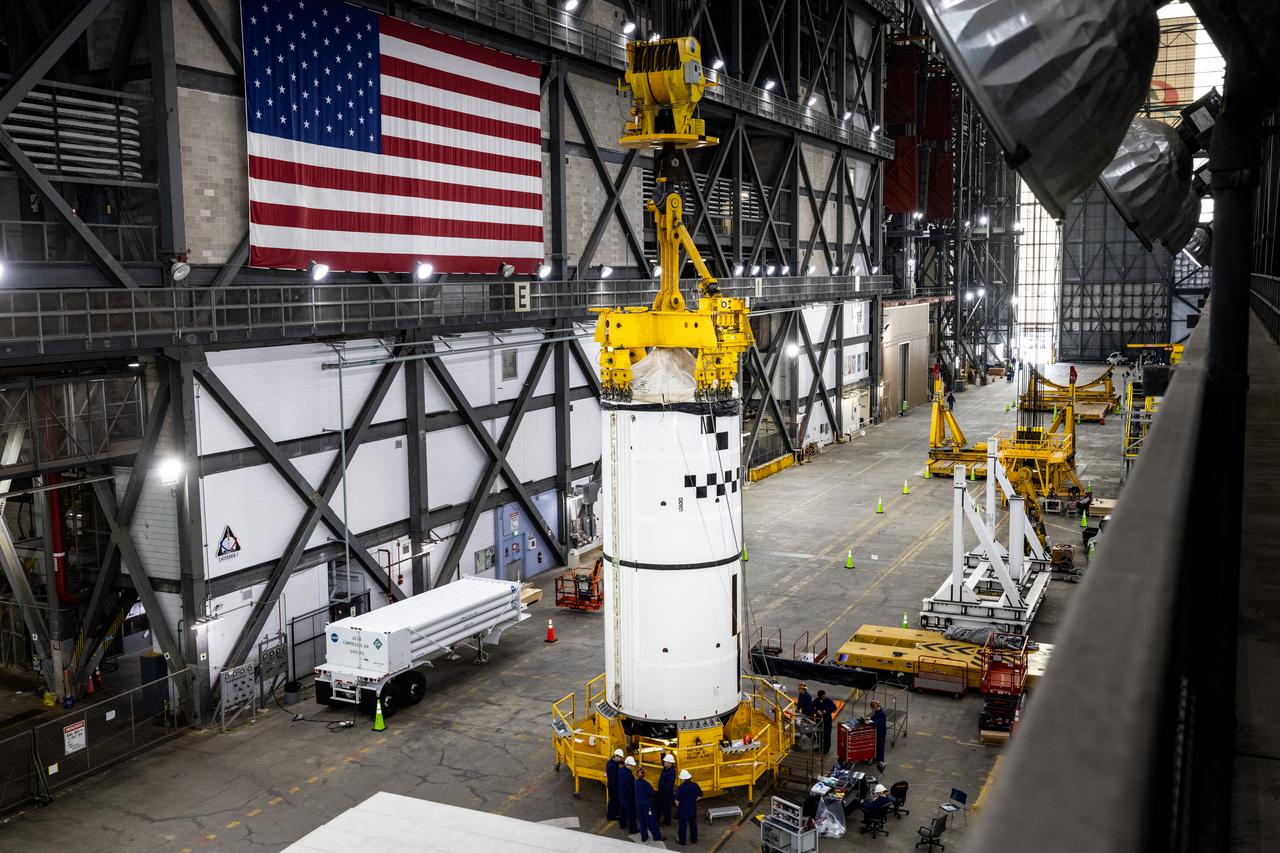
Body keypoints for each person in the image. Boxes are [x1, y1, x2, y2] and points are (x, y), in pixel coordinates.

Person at [634, 767, 662, 842]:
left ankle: (644, 837)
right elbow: (652, 792)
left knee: (642, 821)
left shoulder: (635, 782)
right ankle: (656, 836)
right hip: (647, 805)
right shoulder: (646, 784)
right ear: (644, 775)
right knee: (651, 820)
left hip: (638, 805)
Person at [676, 769, 702, 845]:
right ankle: (694, 839)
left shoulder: (680, 787)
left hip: (683, 809)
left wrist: (679, 805)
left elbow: (677, 801)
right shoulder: (695, 785)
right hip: (692, 808)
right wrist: (693, 801)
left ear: (683, 779)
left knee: (682, 826)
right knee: (693, 824)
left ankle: (682, 841)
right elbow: (700, 795)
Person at [864, 700, 888, 772]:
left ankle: (880, 761)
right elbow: (875, 717)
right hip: (878, 731)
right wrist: (870, 718)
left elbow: (878, 723)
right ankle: (876, 758)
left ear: (876, 707)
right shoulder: (878, 711)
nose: (873, 710)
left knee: (880, 746)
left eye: (873, 708)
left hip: (881, 732)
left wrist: (869, 723)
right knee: (876, 745)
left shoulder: (882, 713)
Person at [618, 755, 638, 834]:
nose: (632, 767)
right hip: (628, 797)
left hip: (621, 794)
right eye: (632, 765)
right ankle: (632, 829)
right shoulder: (629, 775)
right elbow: (631, 788)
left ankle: (622, 824)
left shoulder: (620, 770)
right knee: (631, 813)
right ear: (628, 764)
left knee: (622, 810)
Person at [814, 689, 837, 754]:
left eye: (825, 695)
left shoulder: (828, 701)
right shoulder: (816, 701)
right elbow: (812, 706)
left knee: (827, 735)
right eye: (823, 696)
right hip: (819, 720)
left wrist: (826, 711)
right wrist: (817, 711)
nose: (825, 696)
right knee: (819, 734)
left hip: (827, 721)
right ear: (820, 696)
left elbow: (834, 708)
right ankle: (820, 746)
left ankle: (827, 748)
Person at [657, 753, 677, 826]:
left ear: (670, 763)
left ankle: (667, 822)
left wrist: (663, 793)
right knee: (664, 807)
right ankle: (665, 820)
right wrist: (662, 754)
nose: (664, 763)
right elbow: (663, 763)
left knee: (666, 808)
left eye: (665, 762)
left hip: (666, 794)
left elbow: (669, 786)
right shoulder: (666, 768)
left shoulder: (671, 772)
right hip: (663, 792)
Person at [605, 748, 624, 821]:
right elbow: (614, 778)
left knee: (614, 800)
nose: (620, 759)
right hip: (613, 786)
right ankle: (610, 815)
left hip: (611, 785)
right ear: (616, 756)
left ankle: (614, 813)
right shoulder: (613, 766)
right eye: (620, 757)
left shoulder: (610, 762)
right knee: (613, 800)